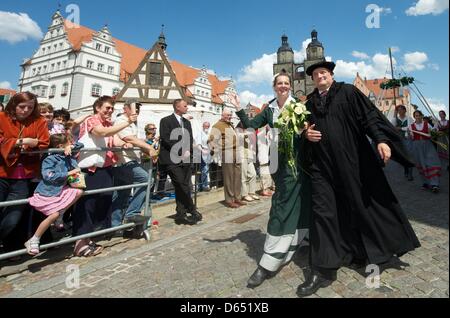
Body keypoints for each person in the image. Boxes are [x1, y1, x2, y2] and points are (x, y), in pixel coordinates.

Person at [298, 61, 420, 297]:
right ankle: (323, 270)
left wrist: (381, 140)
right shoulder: (310, 103)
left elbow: (369, 118)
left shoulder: (348, 92)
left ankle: (365, 253)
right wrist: (306, 133)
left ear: (331, 75)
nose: (319, 76)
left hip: (352, 163)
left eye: (323, 72)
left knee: (360, 206)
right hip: (322, 167)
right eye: (315, 74)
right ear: (313, 80)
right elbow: (305, 127)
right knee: (322, 213)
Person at [228, 71, 311, 288]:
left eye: (286, 83)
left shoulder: (298, 106)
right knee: (288, 203)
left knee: (284, 206)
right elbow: (250, 126)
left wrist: (306, 132)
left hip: (297, 163)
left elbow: (308, 129)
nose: (283, 86)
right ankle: (296, 242)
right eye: (279, 83)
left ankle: (268, 261)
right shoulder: (270, 109)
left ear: (290, 86)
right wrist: (238, 107)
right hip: (278, 164)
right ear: (274, 87)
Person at [72, 96, 137, 257]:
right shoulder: (91, 120)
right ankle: (80, 242)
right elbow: (100, 132)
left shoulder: (109, 124)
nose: (110, 111)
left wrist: (124, 144)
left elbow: (114, 139)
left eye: (111, 108)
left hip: (105, 168)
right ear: (98, 108)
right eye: (107, 108)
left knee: (103, 201)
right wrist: (128, 122)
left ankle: (89, 237)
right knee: (87, 204)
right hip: (89, 169)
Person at [0, 92, 50, 252]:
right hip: (2, 172)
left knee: (13, 218)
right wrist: (20, 142)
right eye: (22, 106)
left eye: (30, 107)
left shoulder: (39, 121)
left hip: (23, 176)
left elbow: (44, 142)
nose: (26, 110)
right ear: (14, 105)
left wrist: (31, 145)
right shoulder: (2, 117)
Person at [26, 133, 83, 255]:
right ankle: (34, 239)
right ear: (60, 145)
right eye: (69, 143)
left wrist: (70, 148)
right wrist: (69, 173)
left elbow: (80, 144)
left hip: (59, 190)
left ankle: (61, 215)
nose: (71, 145)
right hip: (48, 192)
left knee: (78, 192)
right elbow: (48, 176)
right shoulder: (49, 159)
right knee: (53, 214)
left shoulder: (66, 154)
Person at [111, 102, 157, 229]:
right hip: (124, 161)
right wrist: (148, 147)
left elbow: (135, 141)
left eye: (138, 109)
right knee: (146, 179)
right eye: (133, 108)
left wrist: (146, 150)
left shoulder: (132, 123)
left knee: (122, 194)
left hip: (128, 160)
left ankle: (114, 225)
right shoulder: (121, 120)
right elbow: (129, 138)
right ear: (125, 109)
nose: (136, 111)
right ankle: (132, 213)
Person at [159, 99, 202, 225]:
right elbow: (166, 139)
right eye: (185, 106)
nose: (187, 108)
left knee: (182, 186)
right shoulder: (166, 121)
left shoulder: (187, 122)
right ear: (177, 107)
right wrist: (180, 151)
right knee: (182, 185)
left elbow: (189, 139)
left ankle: (180, 213)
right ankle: (192, 209)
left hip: (186, 159)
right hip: (172, 159)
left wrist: (189, 152)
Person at [209, 109, 245, 209]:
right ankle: (229, 200)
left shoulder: (230, 124)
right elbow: (211, 140)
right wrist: (220, 148)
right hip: (227, 151)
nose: (229, 116)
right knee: (229, 177)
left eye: (230, 115)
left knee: (238, 176)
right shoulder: (217, 125)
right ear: (222, 115)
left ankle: (237, 197)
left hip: (236, 151)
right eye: (227, 115)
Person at [409, 110, 441, 193]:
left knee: (431, 163)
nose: (418, 117)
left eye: (419, 115)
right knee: (421, 164)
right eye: (416, 116)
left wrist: (435, 132)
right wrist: (410, 135)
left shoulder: (427, 124)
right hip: (417, 147)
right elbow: (411, 138)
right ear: (414, 117)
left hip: (428, 146)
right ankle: (425, 183)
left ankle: (435, 184)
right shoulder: (411, 126)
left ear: (421, 116)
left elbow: (433, 132)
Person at [236, 122, 259, 202]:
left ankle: (252, 192)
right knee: (243, 176)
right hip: (242, 156)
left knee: (253, 174)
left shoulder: (247, 132)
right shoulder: (238, 132)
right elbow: (240, 138)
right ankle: (244, 194)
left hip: (249, 155)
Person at [391, 105, 414, 181]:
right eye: (398, 110)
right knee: (403, 155)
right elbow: (392, 125)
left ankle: (410, 174)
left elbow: (410, 128)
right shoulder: (396, 119)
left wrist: (400, 128)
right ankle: (406, 169)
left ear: (405, 110)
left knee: (409, 155)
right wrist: (394, 114)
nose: (399, 111)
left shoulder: (409, 118)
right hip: (400, 139)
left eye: (401, 110)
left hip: (407, 139)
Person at [197, 121, 211, 192]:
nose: (207, 127)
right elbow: (198, 144)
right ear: (203, 126)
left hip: (209, 153)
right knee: (204, 169)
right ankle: (204, 186)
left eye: (208, 126)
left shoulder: (209, 134)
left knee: (206, 169)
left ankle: (202, 185)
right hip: (202, 153)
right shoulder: (200, 134)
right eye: (205, 126)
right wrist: (202, 151)